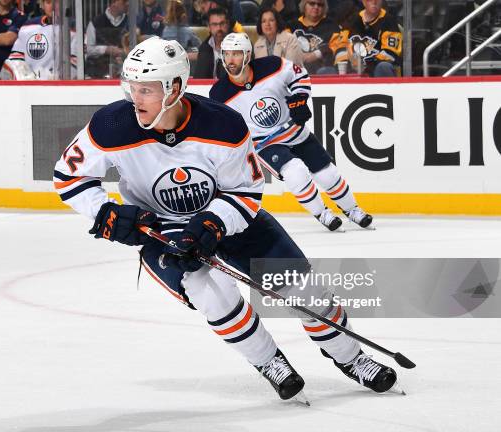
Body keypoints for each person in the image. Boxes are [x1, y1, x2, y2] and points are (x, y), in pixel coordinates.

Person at [54, 36, 398, 401]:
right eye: (131, 87)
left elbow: (245, 194)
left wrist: (213, 223)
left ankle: (351, 358)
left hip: (227, 215)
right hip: (160, 227)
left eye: (146, 89)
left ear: (173, 89)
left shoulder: (224, 126)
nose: (134, 98)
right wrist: (105, 211)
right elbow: (68, 176)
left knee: (304, 289)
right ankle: (269, 361)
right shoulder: (110, 125)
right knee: (209, 291)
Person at [210, 33, 374, 231]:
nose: (230, 60)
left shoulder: (272, 65)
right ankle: (322, 213)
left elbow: (300, 76)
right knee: (295, 172)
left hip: (296, 133)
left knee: (327, 174)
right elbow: (226, 127)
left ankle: (352, 209)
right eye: (226, 54)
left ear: (247, 54)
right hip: (266, 145)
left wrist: (299, 98)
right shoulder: (219, 93)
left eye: (236, 54)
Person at [3, 0, 76, 79]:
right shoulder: (28, 26)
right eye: (48, 2)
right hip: (31, 86)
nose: (53, 6)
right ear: (42, 5)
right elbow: (15, 59)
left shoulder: (74, 28)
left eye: (57, 2)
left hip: (61, 86)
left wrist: (55, 78)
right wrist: (25, 77)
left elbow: (76, 65)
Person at [344, 0, 402, 77]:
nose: (374, 2)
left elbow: (390, 54)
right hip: (354, 71)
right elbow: (341, 45)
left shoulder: (389, 22)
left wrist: (367, 67)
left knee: (383, 67)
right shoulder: (353, 20)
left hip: (377, 71)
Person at [293, 0, 349, 74]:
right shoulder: (292, 25)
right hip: (295, 71)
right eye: (312, 3)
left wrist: (318, 53)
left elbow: (339, 46)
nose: (316, 7)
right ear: (304, 5)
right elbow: (283, 46)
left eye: (320, 5)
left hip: (322, 73)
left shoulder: (332, 26)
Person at [86, 0, 129, 78]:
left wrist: (123, 52)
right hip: (98, 75)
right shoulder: (95, 23)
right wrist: (107, 49)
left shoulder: (131, 22)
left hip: (125, 74)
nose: (127, 4)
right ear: (113, 2)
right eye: (124, 1)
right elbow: (89, 50)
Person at [193, 7, 230, 78]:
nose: (219, 28)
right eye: (214, 24)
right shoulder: (204, 48)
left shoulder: (238, 45)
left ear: (227, 24)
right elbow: (199, 78)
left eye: (222, 24)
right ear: (209, 26)